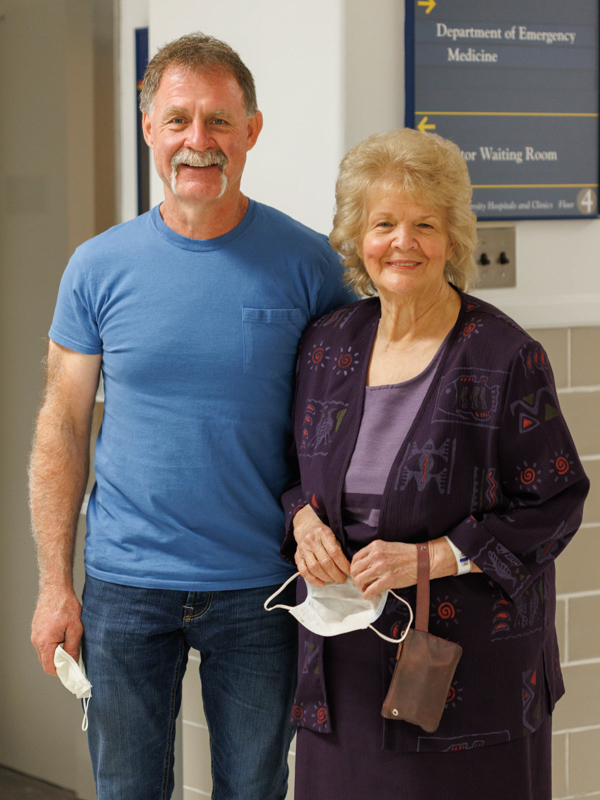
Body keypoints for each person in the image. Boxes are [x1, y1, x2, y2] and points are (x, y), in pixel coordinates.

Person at [29, 32, 351, 800]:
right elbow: (63, 429)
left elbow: (346, 426)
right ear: (149, 129)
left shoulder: (312, 267)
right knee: (128, 790)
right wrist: (53, 584)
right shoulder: (97, 267)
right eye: (177, 121)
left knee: (254, 789)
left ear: (252, 131)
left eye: (217, 122)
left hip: (263, 588)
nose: (197, 142)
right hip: (124, 586)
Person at [279, 128, 588, 800]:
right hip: (344, 669)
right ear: (356, 237)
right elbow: (292, 468)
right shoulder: (328, 346)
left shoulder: (505, 357)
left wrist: (435, 557)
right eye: (383, 223)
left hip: (470, 676)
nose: (403, 242)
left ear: (452, 237)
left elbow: (557, 503)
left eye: (424, 224)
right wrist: (303, 522)